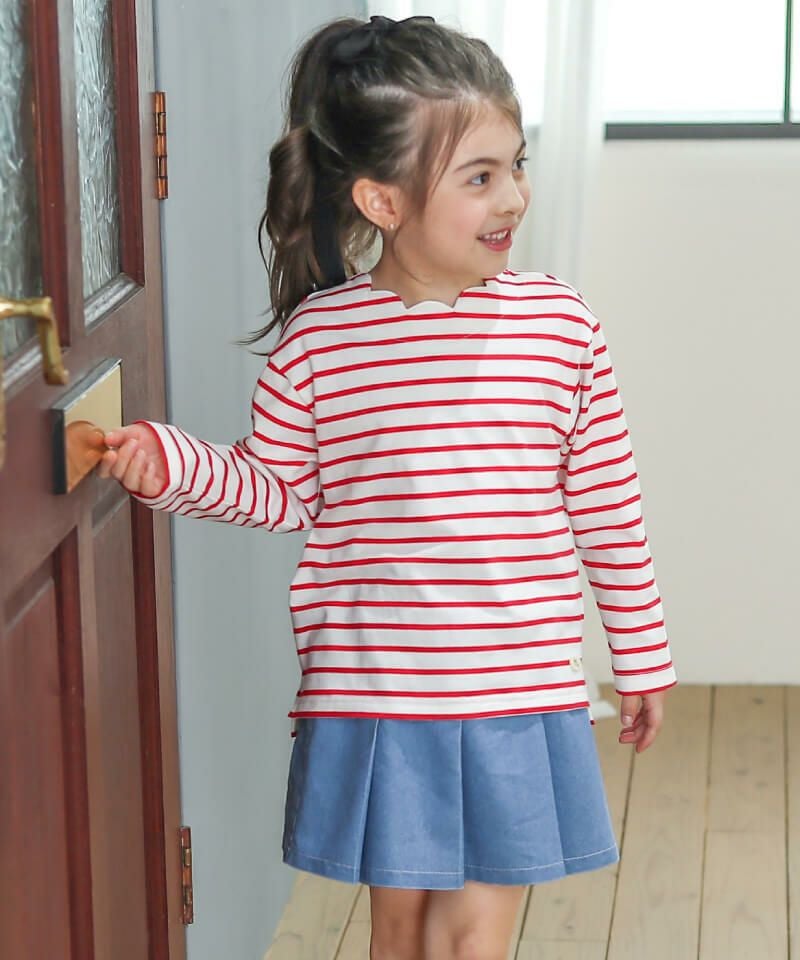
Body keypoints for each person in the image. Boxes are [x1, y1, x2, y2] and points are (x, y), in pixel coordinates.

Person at [97, 14, 677, 960]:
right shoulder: (321, 341)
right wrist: (173, 465)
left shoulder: (561, 327)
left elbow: (609, 506)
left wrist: (641, 655)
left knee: (471, 939)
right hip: (379, 691)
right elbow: (278, 489)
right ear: (382, 199)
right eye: (479, 177)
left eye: (516, 165)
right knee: (401, 933)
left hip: (517, 685)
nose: (513, 196)